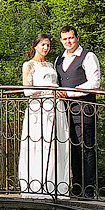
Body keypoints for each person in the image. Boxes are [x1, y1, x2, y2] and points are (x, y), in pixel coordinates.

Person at [18, 33, 69, 196]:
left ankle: (56, 185)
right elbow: (27, 91)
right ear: (35, 46)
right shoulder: (29, 65)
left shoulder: (51, 65)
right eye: (43, 45)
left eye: (48, 45)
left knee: (56, 143)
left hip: (56, 106)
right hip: (39, 107)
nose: (46, 48)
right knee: (39, 143)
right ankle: (37, 184)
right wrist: (49, 91)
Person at [56, 26, 104, 196]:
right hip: (63, 110)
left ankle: (89, 188)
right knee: (71, 146)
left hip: (84, 107)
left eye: (71, 38)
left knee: (85, 146)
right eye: (64, 39)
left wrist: (69, 92)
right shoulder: (58, 60)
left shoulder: (88, 56)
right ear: (61, 41)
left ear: (77, 38)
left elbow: (94, 83)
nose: (68, 41)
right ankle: (76, 187)